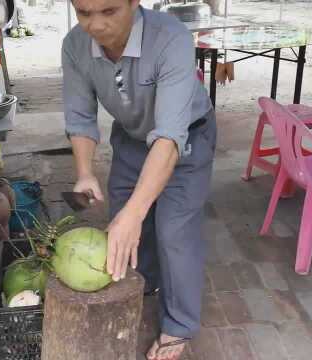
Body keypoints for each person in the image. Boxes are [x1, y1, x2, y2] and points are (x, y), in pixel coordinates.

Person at [61, 0, 216, 359]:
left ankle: (179, 325)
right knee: (131, 223)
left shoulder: (171, 38)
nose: (96, 26)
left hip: (185, 138)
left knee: (174, 231)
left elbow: (169, 137)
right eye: (84, 13)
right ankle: (145, 283)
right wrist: (84, 172)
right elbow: (80, 116)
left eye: (109, 11)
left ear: (135, 3)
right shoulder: (74, 46)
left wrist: (135, 212)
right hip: (131, 139)